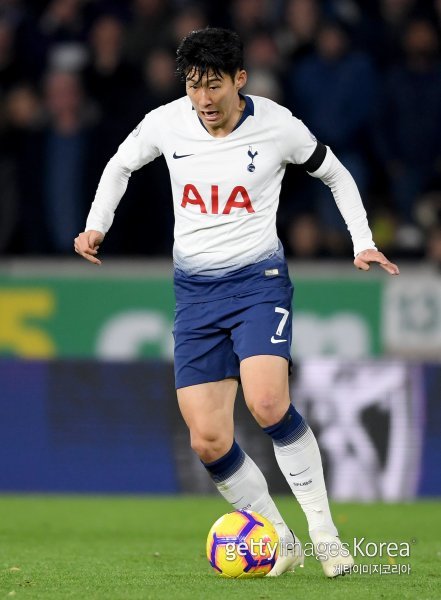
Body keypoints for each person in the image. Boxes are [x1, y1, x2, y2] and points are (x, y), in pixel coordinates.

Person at [74, 27, 399, 578]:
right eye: (193, 85)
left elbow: (335, 173)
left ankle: (325, 536)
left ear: (239, 80)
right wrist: (95, 225)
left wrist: (361, 240)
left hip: (258, 283)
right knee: (207, 440)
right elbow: (120, 164)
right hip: (195, 294)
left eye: (214, 85)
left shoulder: (277, 125)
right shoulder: (166, 122)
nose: (203, 99)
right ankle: (281, 539)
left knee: (267, 402)